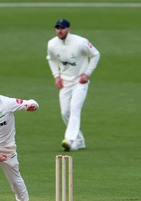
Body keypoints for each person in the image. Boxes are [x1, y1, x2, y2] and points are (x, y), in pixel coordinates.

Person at [46, 18, 100, 151]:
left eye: (62, 28)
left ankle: (69, 140)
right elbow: (51, 59)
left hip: (80, 82)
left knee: (75, 108)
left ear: (68, 29)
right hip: (65, 82)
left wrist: (87, 73)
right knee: (65, 112)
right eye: (58, 28)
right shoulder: (52, 44)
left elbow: (96, 54)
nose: (60, 30)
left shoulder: (80, 42)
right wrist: (56, 76)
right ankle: (80, 140)